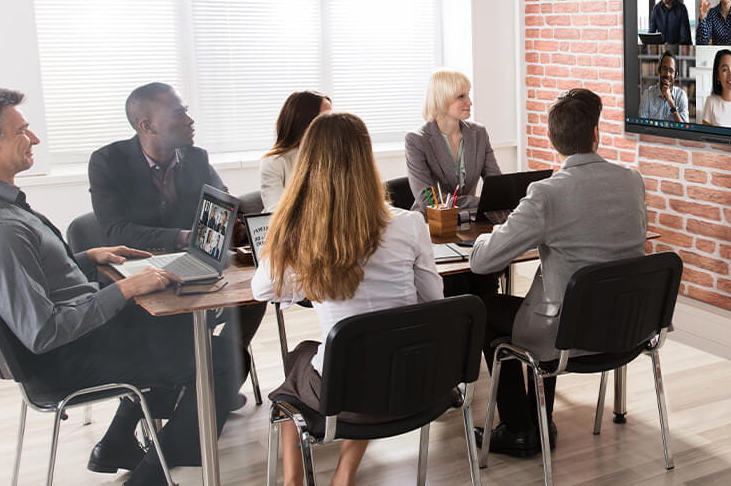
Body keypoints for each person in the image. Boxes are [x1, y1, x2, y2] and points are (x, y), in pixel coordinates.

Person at [0, 88, 240, 486]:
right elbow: (43, 331)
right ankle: (150, 477)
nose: (35, 139)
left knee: (194, 330)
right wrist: (127, 289)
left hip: (70, 343)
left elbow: (19, 284)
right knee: (219, 360)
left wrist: (85, 258)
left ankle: (118, 442)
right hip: (67, 358)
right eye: (22, 131)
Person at [252, 112, 443, 486]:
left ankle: (292, 479)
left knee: (299, 360)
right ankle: (344, 474)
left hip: (347, 396)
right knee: (369, 354)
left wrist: (307, 276)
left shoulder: (298, 231)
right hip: (415, 381)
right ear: (367, 158)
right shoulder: (409, 223)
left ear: (308, 164)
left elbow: (262, 290)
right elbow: (433, 301)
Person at [470, 88, 647, 457]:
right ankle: (538, 420)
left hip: (569, 334)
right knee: (552, 299)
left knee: (484, 309)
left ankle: (520, 429)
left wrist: (488, 234)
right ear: (596, 133)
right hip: (627, 326)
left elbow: (482, 263)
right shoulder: (632, 180)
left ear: (553, 141)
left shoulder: (546, 195)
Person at [88, 82, 265, 393]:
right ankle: (192, 385)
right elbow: (117, 231)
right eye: (178, 113)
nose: (190, 120)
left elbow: (221, 201)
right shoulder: (107, 162)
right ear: (147, 125)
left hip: (193, 265)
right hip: (139, 274)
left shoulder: (195, 158)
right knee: (170, 321)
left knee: (256, 295)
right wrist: (185, 237)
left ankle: (212, 382)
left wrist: (232, 221)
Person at [405, 68, 500, 212]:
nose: (469, 102)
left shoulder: (478, 133)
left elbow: (496, 184)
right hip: (432, 222)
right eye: (461, 96)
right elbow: (427, 200)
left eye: (468, 94)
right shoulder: (416, 140)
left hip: (470, 218)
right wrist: (478, 201)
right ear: (441, 99)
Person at [261, 91, 332, 212]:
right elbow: (276, 212)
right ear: (303, 123)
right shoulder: (274, 162)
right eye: (325, 119)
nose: (332, 125)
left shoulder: (332, 155)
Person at [638, 50, 689, 122]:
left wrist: (671, 102)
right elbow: (642, 125)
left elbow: (684, 128)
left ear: (676, 75)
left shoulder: (681, 96)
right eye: (664, 69)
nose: (667, 74)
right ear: (659, 71)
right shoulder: (647, 94)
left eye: (671, 71)